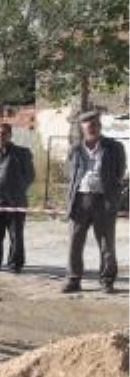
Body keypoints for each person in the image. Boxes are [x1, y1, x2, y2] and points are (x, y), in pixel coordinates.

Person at [62, 111, 127, 294]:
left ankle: (107, 281)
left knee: (107, 244)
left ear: (100, 127)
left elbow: (120, 171)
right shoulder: (75, 149)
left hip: (104, 200)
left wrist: (112, 195)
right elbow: (70, 173)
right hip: (80, 199)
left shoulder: (114, 147)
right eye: (89, 126)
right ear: (82, 128)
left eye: (96, 125)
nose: (93, 128)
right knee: (75, 242)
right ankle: (73, 280)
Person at [0, 123, 35, 274]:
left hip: (14, 202)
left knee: (16, 236)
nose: (0, 136)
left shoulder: (22, 152)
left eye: (3, 133)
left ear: (10, 135)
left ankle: (14, 264)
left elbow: (30, 176)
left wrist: (17, 190)